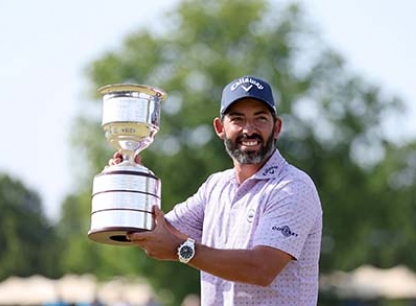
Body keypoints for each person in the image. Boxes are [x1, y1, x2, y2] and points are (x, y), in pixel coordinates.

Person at [114, 75, 323, 305]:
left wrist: (180, 251)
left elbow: (261, 269)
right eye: (237, 119)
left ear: (277, 128)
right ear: (220, 128)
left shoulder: (293, 187)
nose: (248, 130)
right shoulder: (215, 187)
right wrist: (129, 179)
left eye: (260, 118)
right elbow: (158, 233)